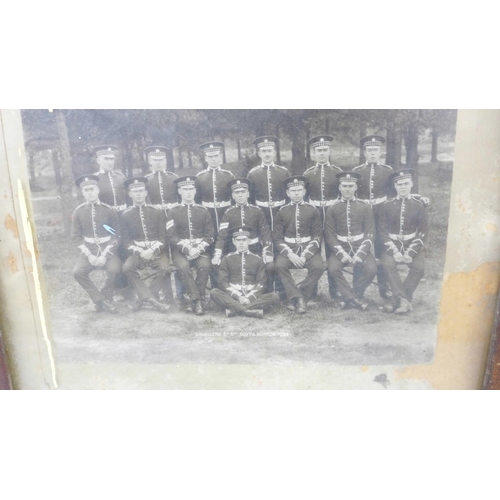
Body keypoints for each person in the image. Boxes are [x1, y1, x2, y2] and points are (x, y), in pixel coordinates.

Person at [324, 172, 377, 310]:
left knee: (371, 269)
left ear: (356, 187)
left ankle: (349, 297)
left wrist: (360, 253)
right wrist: (341, 254)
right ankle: (355, 299)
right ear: (339, 188)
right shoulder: (332, 208)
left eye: (350, 186)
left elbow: (370, 232)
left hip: (361, 246)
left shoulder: (365, 207)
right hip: (340, 247)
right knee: (333, 268)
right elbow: (329, 235)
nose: (347, 189)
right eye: (344, 186)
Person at [378, 169, 428, 313]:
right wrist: (394, 251)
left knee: (419, 268)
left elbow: (423, 232)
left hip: (411, 244)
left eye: (406, 183)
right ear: (395, 186)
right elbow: (382, 232)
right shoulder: (386, 205)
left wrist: (410, 253)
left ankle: (399, 299)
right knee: (388, 264)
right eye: (399, 184)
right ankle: (403, 301)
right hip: (390, 246)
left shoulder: (419, 205)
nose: (403, 187)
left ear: (411, 184)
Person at [273, 176, 324, 314]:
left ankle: (295, 297)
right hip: (288, 248)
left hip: (308, 247)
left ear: (304, 191)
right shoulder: (281, 211)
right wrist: (290, 254)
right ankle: (300, 299)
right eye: (293, 190)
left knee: (319, 266)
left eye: (299, 190)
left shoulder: (313, 210)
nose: (296, 193)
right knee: (279, 265)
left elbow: (317, 236)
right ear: (287, 193)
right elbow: (277, 238)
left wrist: (305, 255)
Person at [212, 178, 275, 290]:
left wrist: (267, 252)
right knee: (217, 265)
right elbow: (222, 235)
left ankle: (267, 296)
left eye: (243, 192)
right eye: (237, 192)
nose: (240, 195)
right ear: (232, 195)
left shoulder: (257, 211)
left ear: (248, 194)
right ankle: (225, 297)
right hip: (234, 249)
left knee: (269, 266)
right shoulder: (228, 213)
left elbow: (265, 233)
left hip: (255, 248)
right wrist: (217, 254)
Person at [71, 175, 121, 313]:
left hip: (107, 249)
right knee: (78, 272)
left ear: (98, 190)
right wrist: (89, 255)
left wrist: (105, 255)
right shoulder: (78, 211)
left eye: (92, 189)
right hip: (89, 249)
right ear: (83, 192)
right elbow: (76, 237)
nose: (90, 192)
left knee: (115, 270)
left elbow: (116, 235)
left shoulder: (109, 210)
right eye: (86, 190)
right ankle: (100, 300)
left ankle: (106, 297)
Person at [120, 177, 171, 313]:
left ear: (146, 193)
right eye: (135, 191)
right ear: (130, 194)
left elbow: (163, 237)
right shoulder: (125, 215)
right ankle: (152, 301)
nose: (138, 194)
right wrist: (139, 252)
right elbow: (125, 241)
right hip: (137, 253)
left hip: (156, 252)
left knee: (165, 269)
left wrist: (152, 250)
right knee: (127, 268)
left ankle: (142, 299)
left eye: (141, 191)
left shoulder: (157, 211)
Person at [166, 176, 215, 315]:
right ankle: (198, 300)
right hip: (180, 251)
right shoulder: (173, 211)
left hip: (200, 250)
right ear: (179, 191)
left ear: (195, 191)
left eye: (191, 189)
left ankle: (193, 300)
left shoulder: (203, 210)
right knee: (183, 266)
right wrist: (187, 249)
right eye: (185, 189)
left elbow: (210, 234)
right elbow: (172, 235)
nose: (188, 192)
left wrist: (198, 249)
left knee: (204, 266)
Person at [304, 135, 343, 300]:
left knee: (333, 251)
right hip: (315, 215)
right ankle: (312, 291)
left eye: (324, 150)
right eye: (318, 151)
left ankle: (336, 290)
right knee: (314, 251)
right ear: (313, 153)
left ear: (329, 151)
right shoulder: (307, 173)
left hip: (332, 214)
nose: (321, 153)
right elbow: (305, 199)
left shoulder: (337, 172)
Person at [210, 227, 280, 318]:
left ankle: (236, 310)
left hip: (252, 295)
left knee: (274, 296)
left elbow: (261, 283)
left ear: (249, 241)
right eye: (238, 240)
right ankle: (249, 311)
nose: (241, 243)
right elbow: (222, 282)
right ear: (234, 241)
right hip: (233, 296)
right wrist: (238, 296)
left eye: (244, 240)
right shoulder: (227, 259)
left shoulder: (258, 259)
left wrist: (249, 298)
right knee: (214, 292)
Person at [144, 145, 182, 300]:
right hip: (157, 224)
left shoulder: (173, 178)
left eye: (161, 160)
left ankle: (181, 293)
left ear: (166, 160)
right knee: (163, 257)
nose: (158, 163)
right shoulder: (146, 180)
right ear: (150, 161)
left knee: (179, 256)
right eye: (155, 160)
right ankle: (167, 296)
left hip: (175, 222)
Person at [247, 136, 290, 232]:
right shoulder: (252, 174)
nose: (267, 154)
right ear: (259, 153)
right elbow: (250, 199)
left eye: (269, 151)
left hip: (280, 213)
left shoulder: (283, 172)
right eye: (264, 151)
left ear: (274, 152)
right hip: (262, 214)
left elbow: (288, 197)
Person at [93, 145, 128, 212]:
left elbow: (129, 198)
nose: (110, 162)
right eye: (106, 159)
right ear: (98, 160)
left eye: (111, 159)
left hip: (122, 216)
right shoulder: (94, 179)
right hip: (105, 217)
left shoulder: (121, 177)